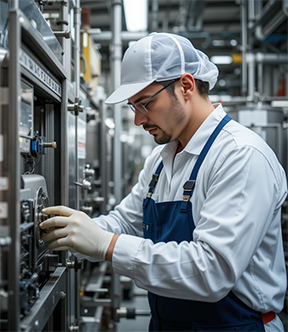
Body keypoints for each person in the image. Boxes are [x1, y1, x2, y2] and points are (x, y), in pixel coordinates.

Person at [40, 32, 287, 332]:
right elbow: (125, 221)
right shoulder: (160, 161)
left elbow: (211, 271)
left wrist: (106, 245)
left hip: (237, 326)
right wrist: (72, 235)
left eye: (145, 103)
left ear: (186, 86)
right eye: (134, 107)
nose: (138, 120)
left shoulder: (240, 156)